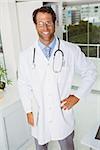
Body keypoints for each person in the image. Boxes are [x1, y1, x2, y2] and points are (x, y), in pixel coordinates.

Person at [18, 6, 97, 150]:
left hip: (62, 114)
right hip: (38, 114)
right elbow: (23, 84)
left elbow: (90, 71)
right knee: (40, 146)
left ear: (55, 24)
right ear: (35, 25)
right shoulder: (25, 56)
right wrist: (28, 111)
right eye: (40, 23)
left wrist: (77, 96)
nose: (45, 27)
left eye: (49, 22)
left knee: (67, 146)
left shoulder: (71, 50)